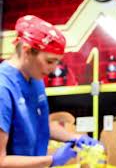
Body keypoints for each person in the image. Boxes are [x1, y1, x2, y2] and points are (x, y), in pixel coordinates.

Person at [0, 15, 98, 167]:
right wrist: (51, 160)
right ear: (26, 51)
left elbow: (40, 123)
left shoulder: (36, 79)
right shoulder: (3, 88)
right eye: (49, 61)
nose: (53, 69)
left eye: (57, 62)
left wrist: (74, 138)